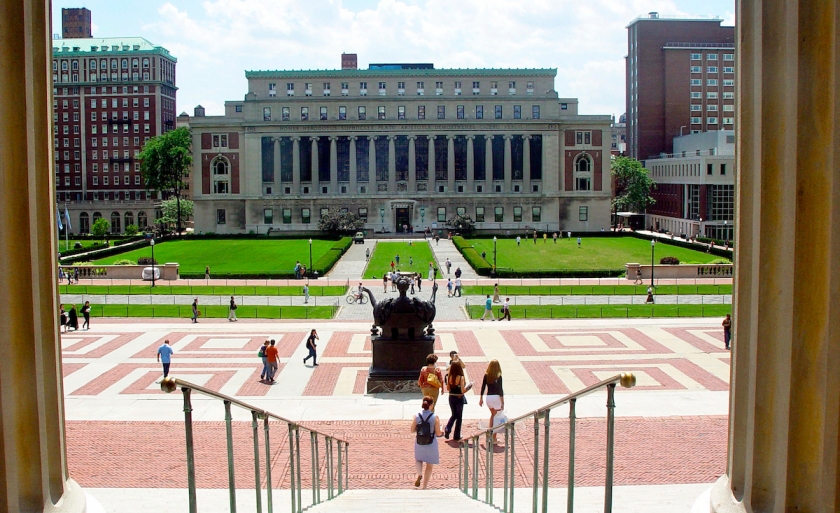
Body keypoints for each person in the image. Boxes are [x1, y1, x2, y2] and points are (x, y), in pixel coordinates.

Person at [410, 396, 442, 489]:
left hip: (419, 441)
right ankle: (424, 486)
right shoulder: (434, 417)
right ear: (431, 405)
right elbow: (438, 433)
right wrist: (442, 430)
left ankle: (419, 474)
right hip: (431, 443)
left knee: (418, 459)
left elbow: (412, 430)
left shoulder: (417, 416)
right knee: (429, 465)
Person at [478, 359, 505, 445]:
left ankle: (490, 434)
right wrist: (502, 402)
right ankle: (493, 437)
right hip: (496, 397)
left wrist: (481, 398)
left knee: (493, 415)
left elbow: (483, 387)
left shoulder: (487, 375)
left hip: (489, 398)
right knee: (496, 417)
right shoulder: (499, 376)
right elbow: (500, 390)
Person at [444, 360, 467, 441]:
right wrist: (469, 387)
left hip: (451, 397)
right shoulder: (461, 378)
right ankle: (456, 435)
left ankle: (448, 428)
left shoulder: (449, 377)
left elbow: (448, 388)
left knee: (454, 414)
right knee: (459, 416)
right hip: (459, 398)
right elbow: (463, 390)